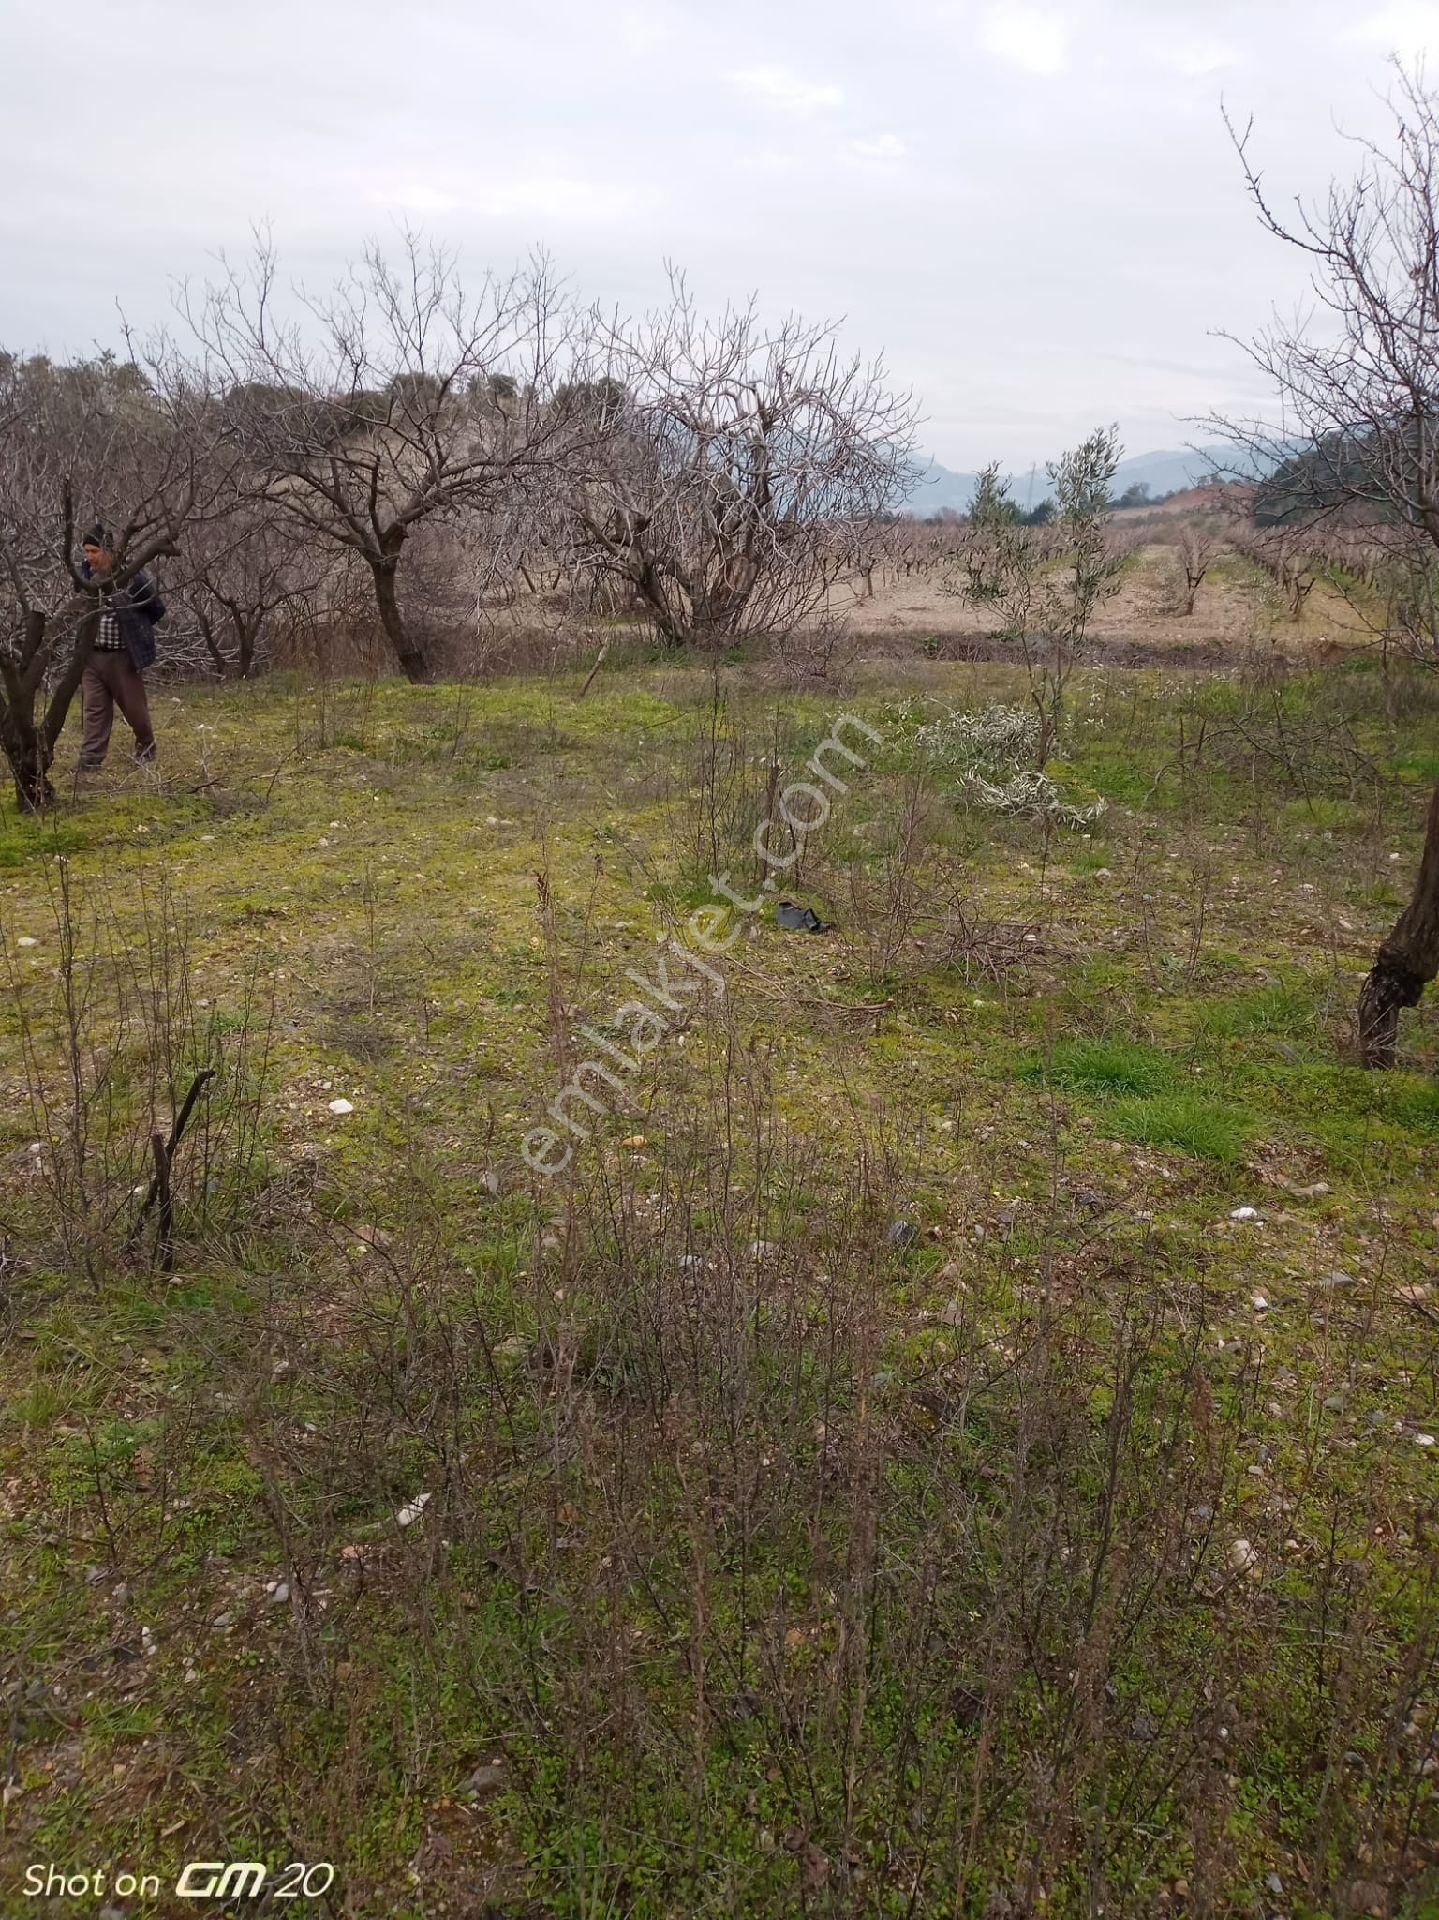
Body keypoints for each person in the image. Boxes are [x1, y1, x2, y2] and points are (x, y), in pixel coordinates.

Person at [76, 526, 166, 770]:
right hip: (92, 655)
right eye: (86, 551)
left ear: (109, 551)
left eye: (94, 551)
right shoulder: (85, 576)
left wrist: (135, 628)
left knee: (134, 708)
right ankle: (90, 761)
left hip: (122, 656)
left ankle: (146, 749)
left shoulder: (131, 577)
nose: (89, 557)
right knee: (94, 709)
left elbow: (156, 607)